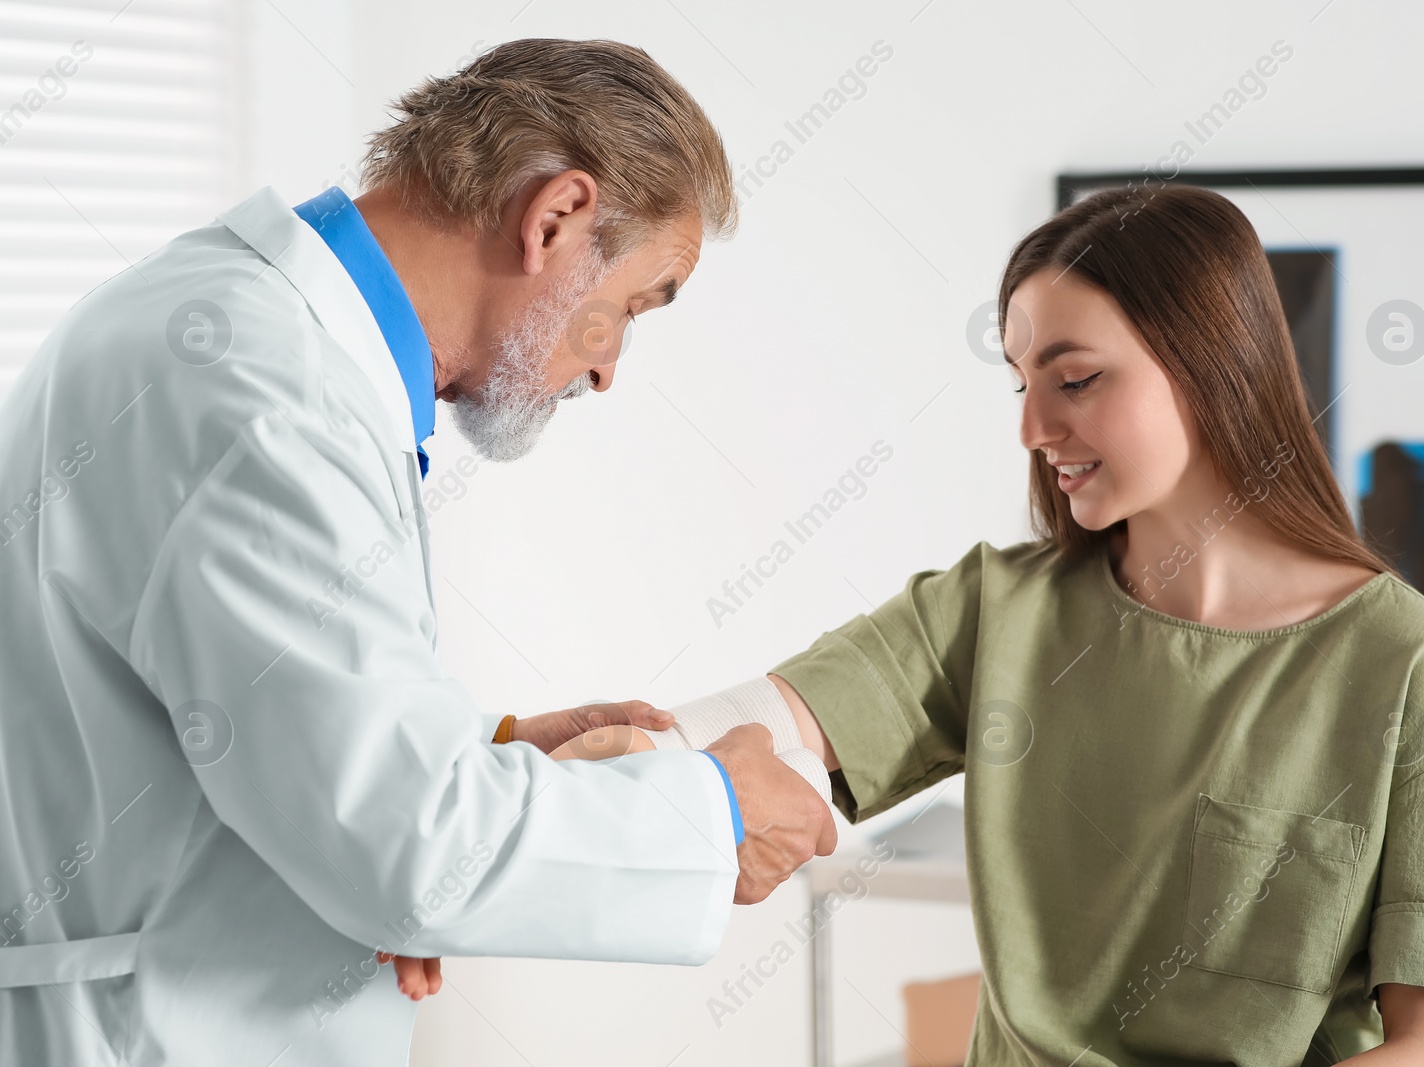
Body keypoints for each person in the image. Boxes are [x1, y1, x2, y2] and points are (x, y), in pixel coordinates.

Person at [542, 185, 1424, 1063]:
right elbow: (719, 734)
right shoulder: (997, 610)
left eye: (1074, 380)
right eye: (1023, 385)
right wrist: (470, 843)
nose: (1031, 428)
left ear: (1209, 363)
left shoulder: (1404, 666)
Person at [0, 39, 834, 1066]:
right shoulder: (266, 396)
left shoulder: (242, 331)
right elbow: (402, 844)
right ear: (556, 218)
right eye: (629, 306)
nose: (610, 367)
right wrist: (713, 811)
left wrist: (481, 748)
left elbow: (263, 729)